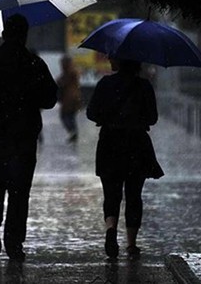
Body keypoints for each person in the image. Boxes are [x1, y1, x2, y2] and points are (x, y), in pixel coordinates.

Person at [0, 13, 58, 261]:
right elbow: (49, 99)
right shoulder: (35, 64)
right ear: (25, 35)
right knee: (19, 192)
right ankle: (13, 241)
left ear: (4, 35)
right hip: (24, 140)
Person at [85, 57, 164, 259]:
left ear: (119, 62)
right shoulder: (144, 86)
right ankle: (131, 244)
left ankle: (111, 228)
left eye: (113, 56)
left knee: (111, 193)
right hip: (136, 144)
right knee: (134, 195)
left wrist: (108, 116)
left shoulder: (105, 84)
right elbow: (153, 118)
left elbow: (91, 113)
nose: (110, 58)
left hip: (110, 143)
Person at [56, 55, 82, 143]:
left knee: (64, 116)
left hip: (69, 98)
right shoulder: (73, 71)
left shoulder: (69, 72)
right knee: (71, 117)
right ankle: (74, 133)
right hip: (75, 97)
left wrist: (59, 81)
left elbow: (62, 82)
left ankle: (73, 132)